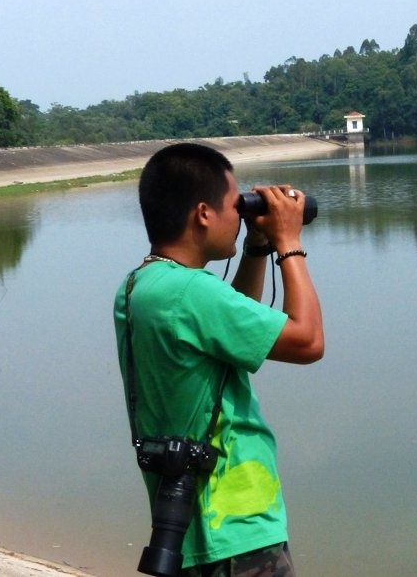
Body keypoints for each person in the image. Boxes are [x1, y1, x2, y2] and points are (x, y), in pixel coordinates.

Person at [113, 142, 324, 576]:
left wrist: (256, 248)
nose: (240, 215)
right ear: (204, 213)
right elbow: (308, 342)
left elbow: (232, 338)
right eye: (236, 205)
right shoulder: (192, 293)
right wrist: (289, 243)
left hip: (192, 529)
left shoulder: (141, 285)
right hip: (235, 527)